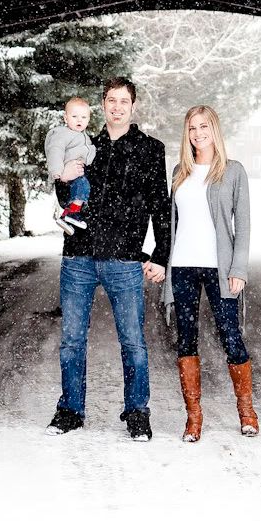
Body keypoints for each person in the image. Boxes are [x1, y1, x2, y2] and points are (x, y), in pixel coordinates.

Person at [46, 76, 170, 441]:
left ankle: (137, 413)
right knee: (71, 339)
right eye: (111, 100)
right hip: (79, 257)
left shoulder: (149, 149)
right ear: (103, 104)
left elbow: (160, 206)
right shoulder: (83, 142)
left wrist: (161, 255)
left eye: (123, 101)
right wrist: (63, 177)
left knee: (133, 341)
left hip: (125, 260)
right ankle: (70, 410)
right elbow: (65, 188)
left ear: (133, 107)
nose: (117, 107)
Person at [163, 105, 259, 442]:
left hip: (220, 268)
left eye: (204, 127)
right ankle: (193, 418)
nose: (198, 133)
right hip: (183, 267)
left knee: (231, 336)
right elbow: (171, 225)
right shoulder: (179, 171)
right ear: (186, 134)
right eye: (192, 128)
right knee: (186, 339)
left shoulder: (232, 172)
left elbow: (243, 225)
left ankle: (246, 411)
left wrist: (239, 268)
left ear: (214, 130)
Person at [44, 97, 96, 234]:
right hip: (70, 172)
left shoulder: (84, 137)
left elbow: (89, 152)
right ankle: (72, 214)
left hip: (79, 172)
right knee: (83, 185)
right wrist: (57, 172)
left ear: (88, 120)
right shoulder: (62, 135)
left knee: (84, 187)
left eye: (83, 117)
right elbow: (55, 151)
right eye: (74, 116)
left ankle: (66, 215)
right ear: (66, 118)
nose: (79, 120)